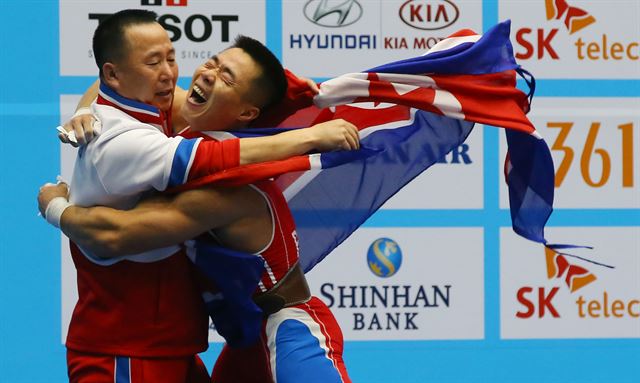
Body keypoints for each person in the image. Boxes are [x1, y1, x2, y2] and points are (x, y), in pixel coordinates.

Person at [48, 8, 358, 383]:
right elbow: (114, 84)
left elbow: (110, 235)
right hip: (238, 337)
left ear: (247, 112)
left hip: (287, 332)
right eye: (210, 64)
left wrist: (54, 203)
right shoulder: (177, 115)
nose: (204, 75)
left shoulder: (223, 188)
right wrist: (87, 112)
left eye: (225, 79)